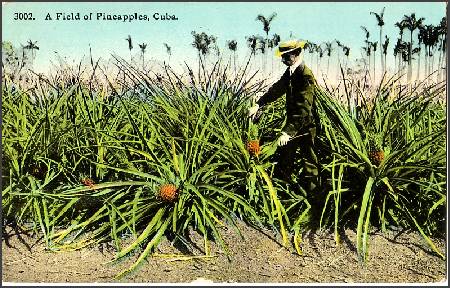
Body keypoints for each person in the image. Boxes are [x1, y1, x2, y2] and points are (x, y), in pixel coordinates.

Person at [248, 39, 320, 195]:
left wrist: (288, 132)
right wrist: (258, 104)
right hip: (293, 124)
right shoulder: (290, 72)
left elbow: (304, 108)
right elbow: (277, 90)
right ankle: (285, 194)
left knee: (309, 162)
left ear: (296, 54)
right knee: (286, 157)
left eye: (286, 56)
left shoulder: (305, 75)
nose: (283, 60)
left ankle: (314, 201)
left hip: (306, 125)